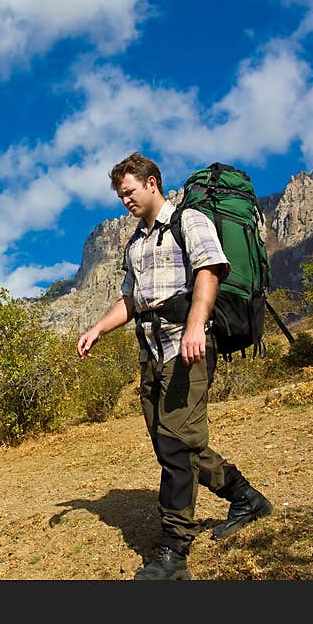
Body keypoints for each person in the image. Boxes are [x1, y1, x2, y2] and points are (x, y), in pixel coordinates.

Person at [77, 152, 272, 580]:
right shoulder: (135, 243)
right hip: (150, 354)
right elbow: (131, 300)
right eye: (120, 195)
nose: (125, 200)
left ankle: (174, 551)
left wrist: (196, 327)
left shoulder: (189, 221)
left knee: (174, 447)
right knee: (178, 444)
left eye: (129, 191)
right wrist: (98, 329)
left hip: (186, 348)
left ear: (152, 183)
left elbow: (209, 272)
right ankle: (247, 498)